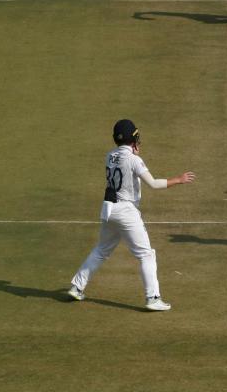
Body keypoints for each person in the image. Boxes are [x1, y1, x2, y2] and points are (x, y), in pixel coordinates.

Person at [68, 119, 195, 311]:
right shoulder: (134, 160)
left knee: (101, 250)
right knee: (146, 254)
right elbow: (153, 183)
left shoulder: (109, 156)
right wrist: (178, 179)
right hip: (127, 211)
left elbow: (121, 162)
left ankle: (77, 286)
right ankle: (153, 298)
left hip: (109, 209)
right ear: (134, 140)